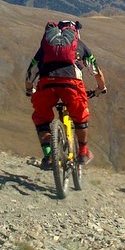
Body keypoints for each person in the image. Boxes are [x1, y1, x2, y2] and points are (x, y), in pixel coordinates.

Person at [25, 20, 107, 169]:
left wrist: (29, 89)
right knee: (80, 117)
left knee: (41, 119)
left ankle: (49, 155)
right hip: (71, 84)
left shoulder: (46, 47)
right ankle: (83, 152)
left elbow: (31, 71)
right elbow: (96, 71)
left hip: (47, 83)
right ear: (75, 32)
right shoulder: (80, 45)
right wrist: (101, 88)